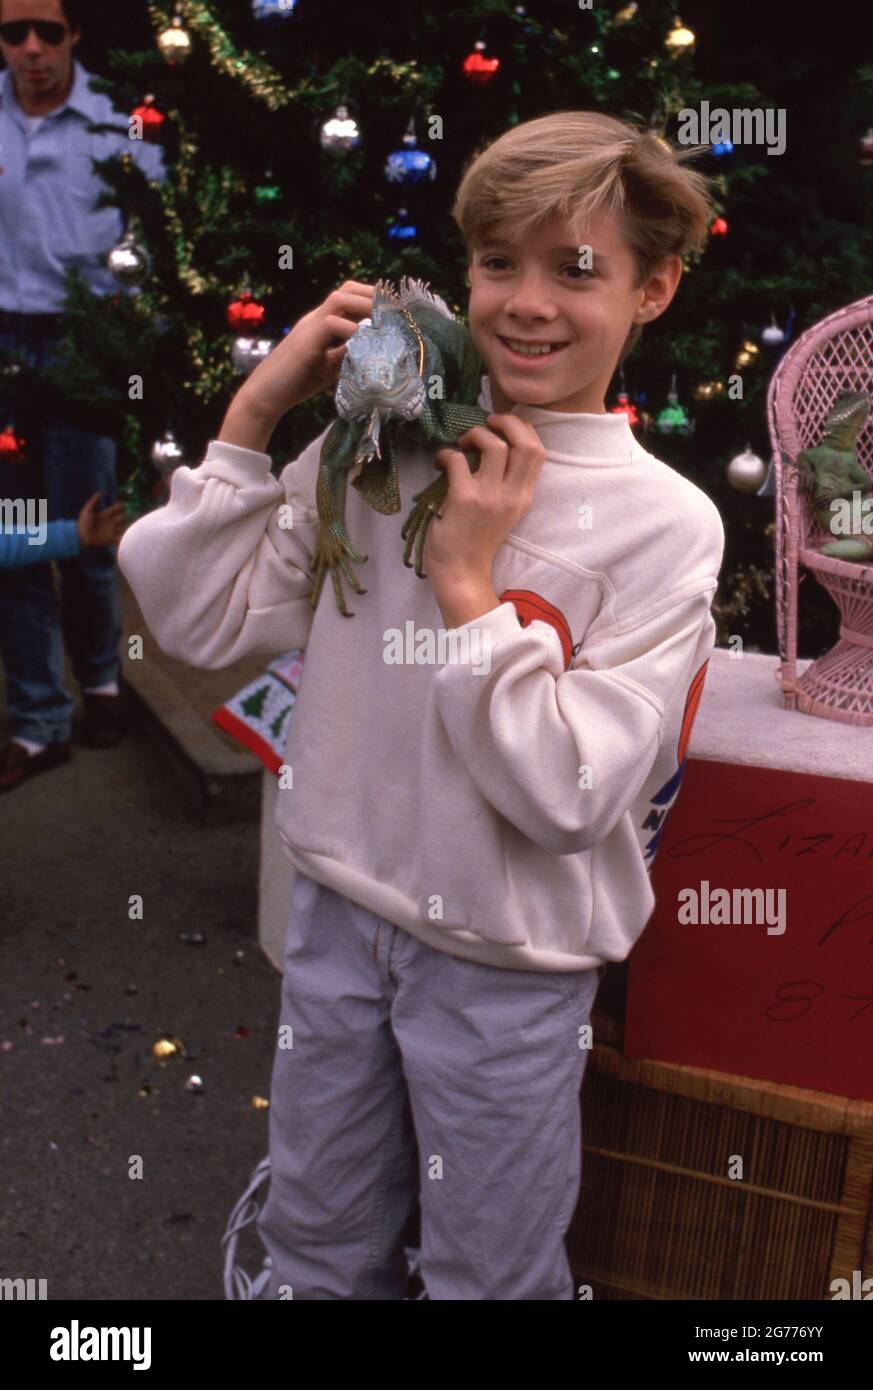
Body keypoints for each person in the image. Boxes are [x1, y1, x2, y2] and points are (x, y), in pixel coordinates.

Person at [119, 110, 726, 1299]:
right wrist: (258, 414)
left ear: (653, 289)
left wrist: (464, 584)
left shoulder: (665, 524)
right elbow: (196, 625)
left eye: (578, 270)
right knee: (319, 1239)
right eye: (499, 262)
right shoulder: (376, 449)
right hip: (340, 912)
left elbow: (575, 791)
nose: (526, 303)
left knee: (485, 1272)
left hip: (507, 962)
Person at [0, 0, 165, 792]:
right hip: (3, 344)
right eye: (12, 34)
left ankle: (100, 682)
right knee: (19, 533)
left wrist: (134, 324)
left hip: (83, 341)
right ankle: (37, 719)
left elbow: (161, 229)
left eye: (47, 32)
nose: (31, 50)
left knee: (91, 527)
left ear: (74, 37)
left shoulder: (115, 122)